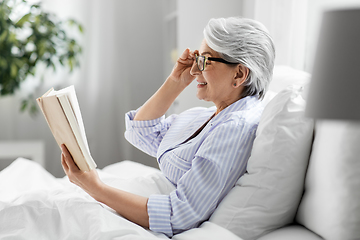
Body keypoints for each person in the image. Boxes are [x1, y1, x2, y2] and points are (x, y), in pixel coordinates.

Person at [61, 16, 275, 237]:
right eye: (196, 59)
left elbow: (179, 215)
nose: (194, 71)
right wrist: (175, 81)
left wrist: (95, 188)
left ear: (239, 74)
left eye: (205, 61)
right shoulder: (211, 116)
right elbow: (141, 132)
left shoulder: (233, 129)